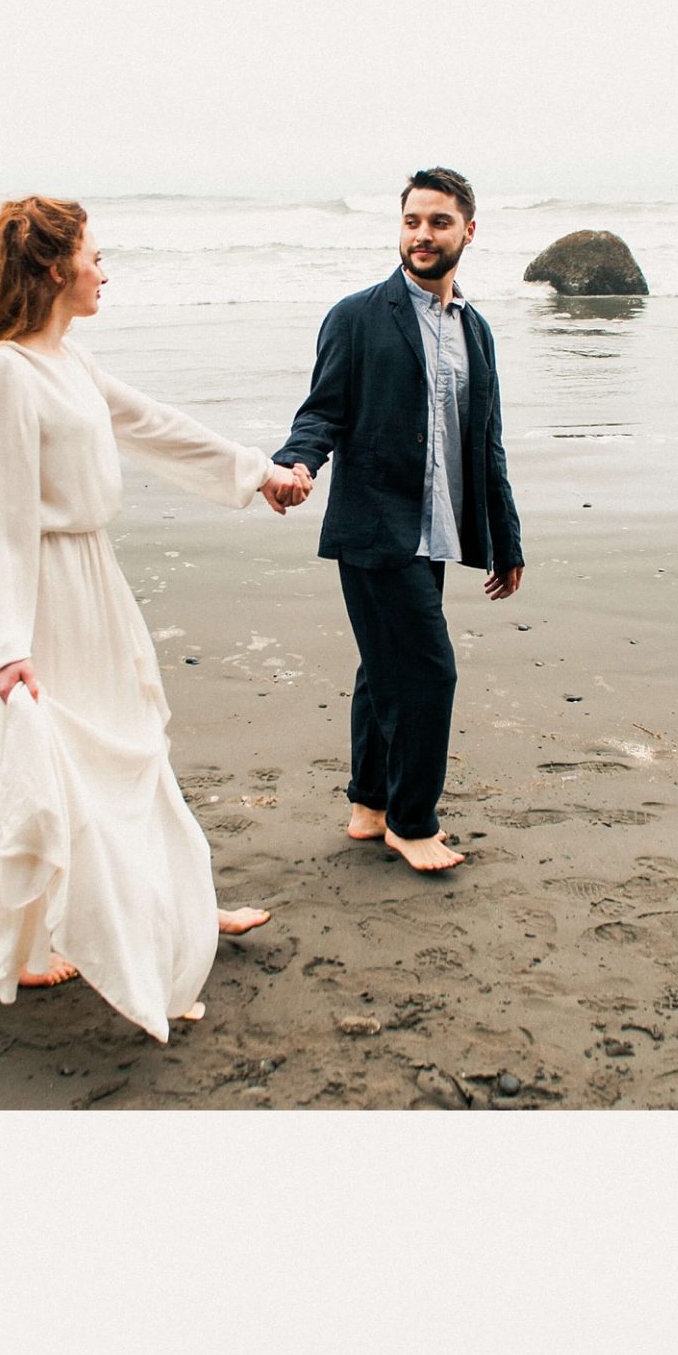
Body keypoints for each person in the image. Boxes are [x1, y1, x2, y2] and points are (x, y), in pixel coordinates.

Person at [0, 196, 303, 1039]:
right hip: (43, 600)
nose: (103, 268)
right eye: (94, 254)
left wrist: (256, 473)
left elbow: (153, 427)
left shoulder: (69, 363)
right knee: (70, 766)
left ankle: (176, 908)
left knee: (132, 748)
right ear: (55, 267)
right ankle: (31, 942)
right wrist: (4, 648)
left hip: (94, 580)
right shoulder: (0, 374)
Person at [269, 166, 524, 874]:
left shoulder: (475, 331)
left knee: (385, 668)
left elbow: (485, 440)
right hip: (376, 527)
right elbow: (321, 411)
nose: (422, 234)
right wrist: (297, 466)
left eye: (438, 222)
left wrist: (504, 537)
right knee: (427, 674)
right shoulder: (357, 316)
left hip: (438, 528)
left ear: (467, 232)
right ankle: (412, 823)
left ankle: (369, 805)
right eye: (412, 221)